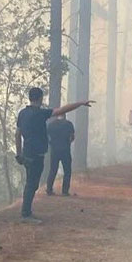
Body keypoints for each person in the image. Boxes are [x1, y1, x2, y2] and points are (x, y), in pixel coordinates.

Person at [15, 87, 94, 222]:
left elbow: (17, 134)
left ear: (30, 98)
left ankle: (27, 211)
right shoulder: (41, 113)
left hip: (27, 152)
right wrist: (80, 103)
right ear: (40, 98)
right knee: (32, 184)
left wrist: (19, 154)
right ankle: (25, 214)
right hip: (37, 154)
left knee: (31, 183)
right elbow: (63, 109)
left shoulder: (22, 113)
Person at [45, 114, 75, 196]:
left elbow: (47, 137)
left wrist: (51, 143)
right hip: (65, 149)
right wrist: (68, 142)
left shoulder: (51, 125)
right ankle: (65, 191)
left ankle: (49, 189)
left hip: (54, 150)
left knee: (53, 170)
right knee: (67, 171)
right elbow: (72, 137)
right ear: (65, 115)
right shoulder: (68, 124)